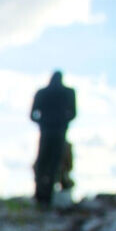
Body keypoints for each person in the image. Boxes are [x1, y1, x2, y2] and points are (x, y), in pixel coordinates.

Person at [30, 71, 76, 207]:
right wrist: (61, 122)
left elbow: (33, 115)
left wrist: (44, 123)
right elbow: (73, 113)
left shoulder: (43, 93)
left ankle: (43, 196)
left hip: (48, 131)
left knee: (45, 164)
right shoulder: (68, 92)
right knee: (52, 164)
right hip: (57, 132)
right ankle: (45, 196)